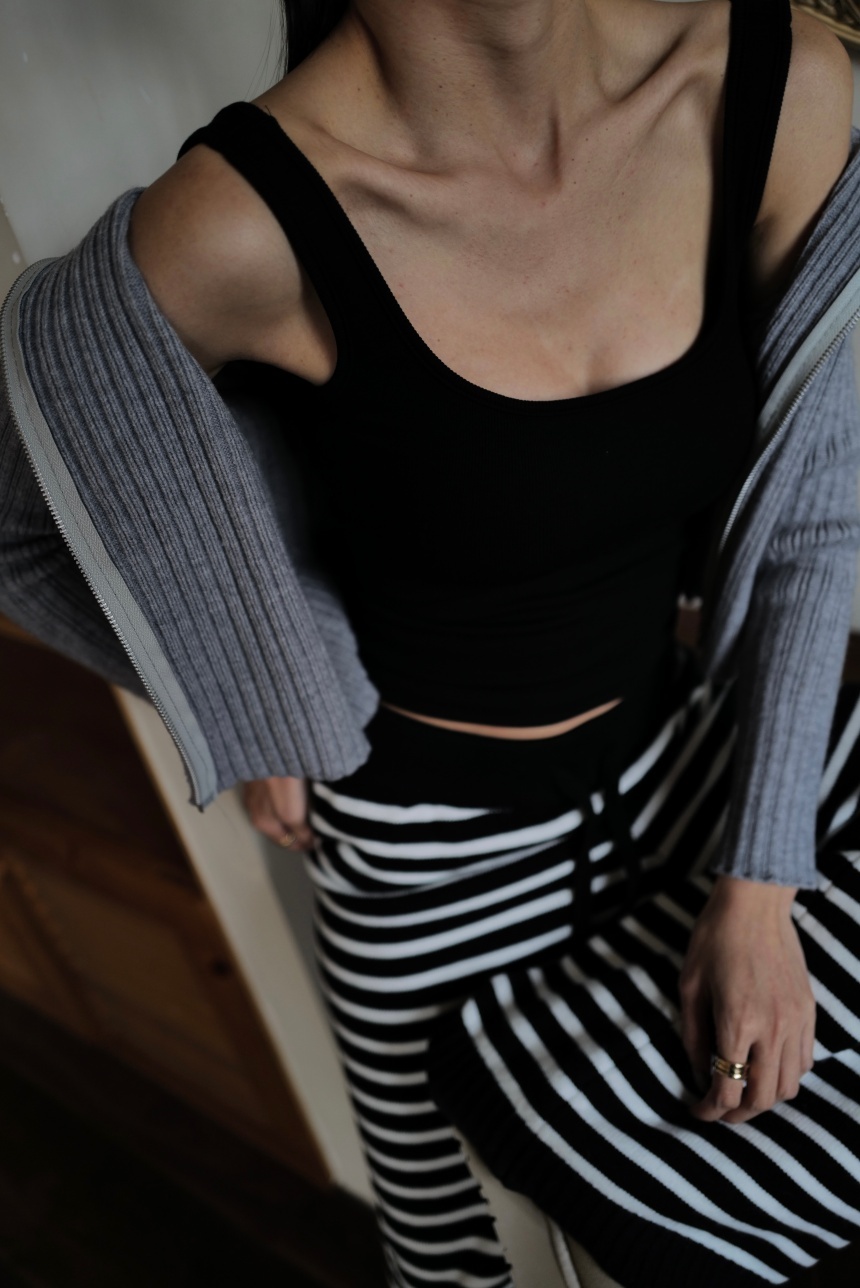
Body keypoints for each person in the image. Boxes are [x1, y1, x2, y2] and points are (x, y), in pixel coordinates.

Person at [2, 1, 857, 1284]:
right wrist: (258, 698)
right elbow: (20, 529)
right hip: (423, 862)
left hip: (693, 756)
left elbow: (812, 518)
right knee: (473, 1264)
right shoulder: (239, 220)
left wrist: (760, 884)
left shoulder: (774, 80)